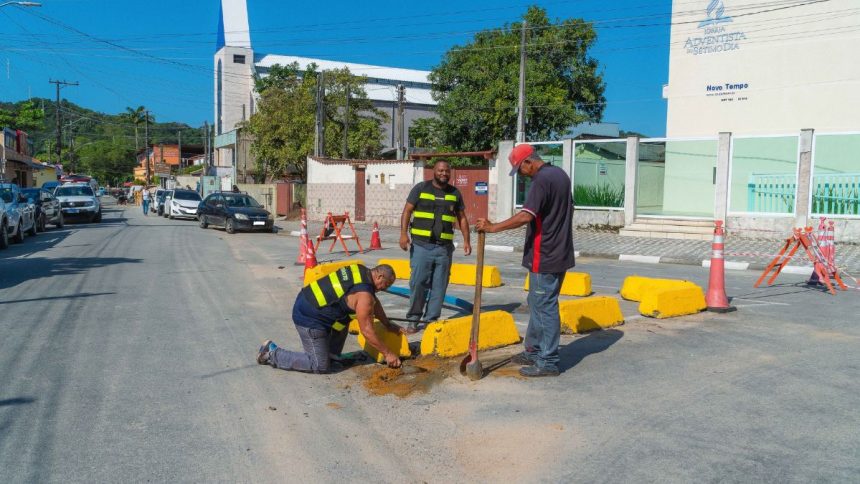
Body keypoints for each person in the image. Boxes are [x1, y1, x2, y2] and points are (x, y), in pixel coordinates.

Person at [475, 144, 575, 377]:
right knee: (537, 302)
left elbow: (525, 215)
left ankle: (547, 360)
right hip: (559, 252)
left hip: (545, 254)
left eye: (520, 170)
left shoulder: (541, 180)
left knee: (545, 307)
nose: (522, 175)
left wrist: (493, 227)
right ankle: (533, 349)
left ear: (529, 162)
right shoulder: (560, 175)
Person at [257, 264, 404, 373]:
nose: (385, 288)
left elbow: (374, 302)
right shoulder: (365, 295)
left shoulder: (360, 270)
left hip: (308, 300)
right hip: (309, 318)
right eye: (386, 284)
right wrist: (388, 354)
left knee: (345, 319)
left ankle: (331, 355)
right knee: (319, 366)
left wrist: (387, 323)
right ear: (379, 277)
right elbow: (367, 330)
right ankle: (271, 353)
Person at [399, 160, 471, 333]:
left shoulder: (455, 193)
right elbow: (407, 210)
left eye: (447, 171)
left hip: (444, 249)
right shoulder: (420, 188)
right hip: (421, 246)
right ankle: (414, 319)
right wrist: (403, 234)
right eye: (440, 170)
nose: (443, 173)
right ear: (434, 171)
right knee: (418, 283)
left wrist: (467, 241)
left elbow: (462, 218)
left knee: (439, 287)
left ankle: (431, 320)